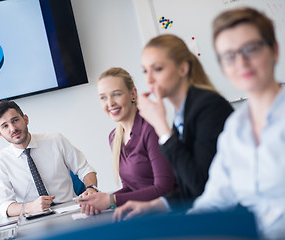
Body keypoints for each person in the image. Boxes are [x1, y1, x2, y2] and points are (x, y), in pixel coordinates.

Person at [186, 8, 285, 239]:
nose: (241, 62)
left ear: (274, 50)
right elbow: (213, 202)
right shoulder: (234, 129)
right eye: (229, 56)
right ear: (222, 67)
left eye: (251, 49)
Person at [112, 34, 233, 221]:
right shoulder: (182, 114)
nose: (149, 80)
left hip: (230, 219)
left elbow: (201, 187)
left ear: (183, 68)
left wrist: (160, 126)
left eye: (157, 69)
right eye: (145, 71)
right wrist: (153, 205)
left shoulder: (209, 108)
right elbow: (187, 189)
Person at [79, 67, 176, 215]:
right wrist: (99, 199)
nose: (110, 103)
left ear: (133, 94)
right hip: (141, 215)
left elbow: (164, 188)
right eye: (103, 97)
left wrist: (112, 200)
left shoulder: (151, 129)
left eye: (116, 94)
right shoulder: (114, 137)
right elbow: (131, 187)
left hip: (167, 215)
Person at [0, 100, 97, 217]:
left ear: (25, 119)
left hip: (70, 211)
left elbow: (84, 169)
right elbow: (4, 205)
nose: (13, 129)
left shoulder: (56, 140)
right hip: (33, 218)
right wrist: (30, 207)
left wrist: (91, 188)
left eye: (15, 120)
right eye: (5, 126)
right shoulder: (0, 162)